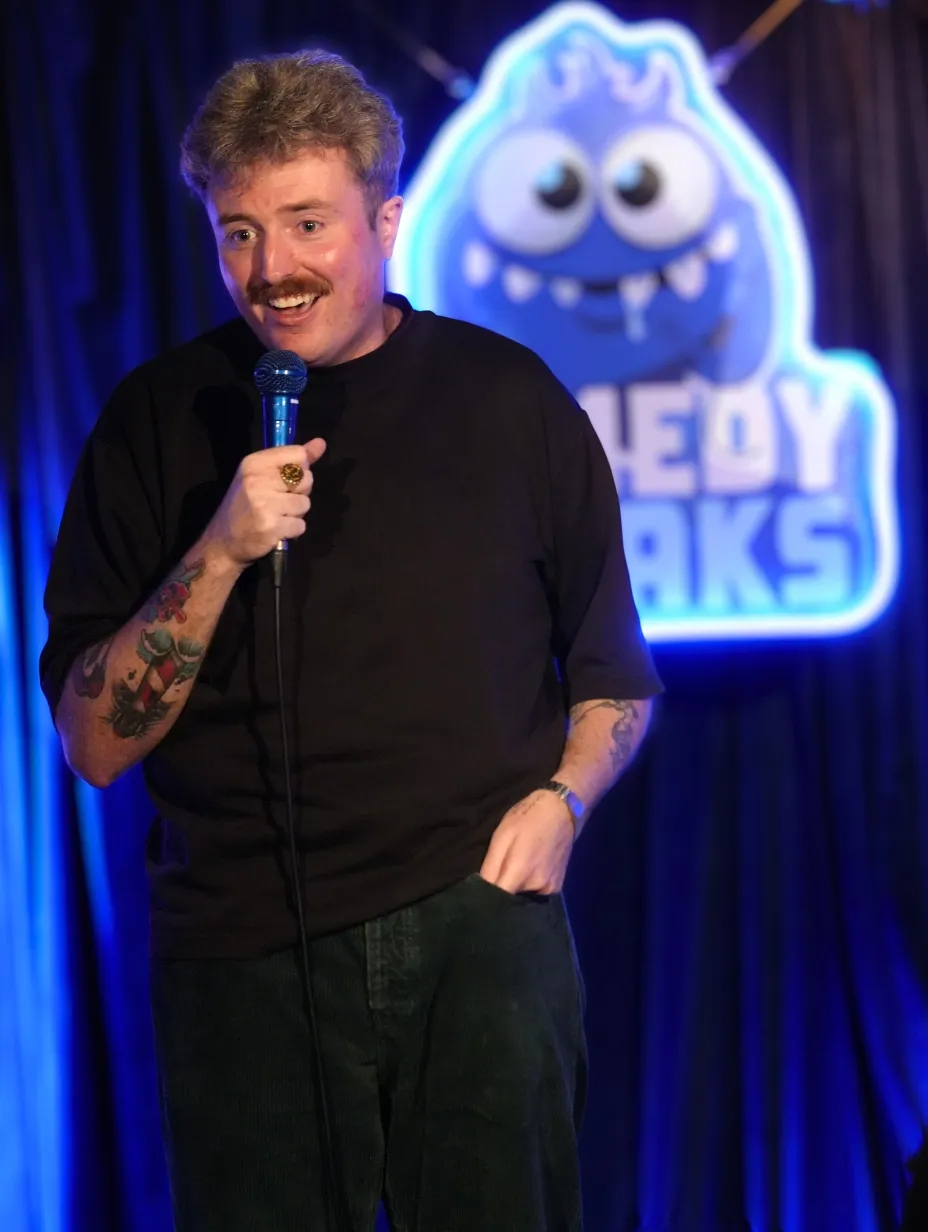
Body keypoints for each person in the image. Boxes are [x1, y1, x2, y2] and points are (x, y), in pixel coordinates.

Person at [40, 50, 662, 1232]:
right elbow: (93, 742)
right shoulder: (153, 421)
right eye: (237, 233)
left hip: (475, 926)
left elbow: (614, 676)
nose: (271, 269)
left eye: (307, 223)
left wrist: (565, 802)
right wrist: (219, 549)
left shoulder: (509, 398)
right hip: (243, 956)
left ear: (385, 220)